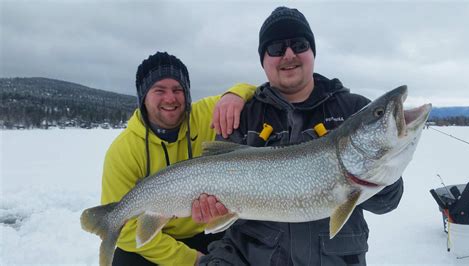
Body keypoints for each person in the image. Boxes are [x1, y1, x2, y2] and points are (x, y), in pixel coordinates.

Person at [192, 6, 404, 266]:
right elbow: (223, 215)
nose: (289, 54)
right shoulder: (243, 116)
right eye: (276, 48)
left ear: (312, 52)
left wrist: (382, 170)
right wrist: (213, 211)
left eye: (299, 44)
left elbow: (387, 203)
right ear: (263, 60)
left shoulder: (353, 110)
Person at [101, 51, 255, 266]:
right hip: (162, 240)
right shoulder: (122, 151)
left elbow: (256, 92)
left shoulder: (206, 114)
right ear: (143, 96)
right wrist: (191, 260)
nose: (170, 98)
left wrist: (234, 94)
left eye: (177, 90)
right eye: (159, 90)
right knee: (125, 260)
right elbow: (126, 232)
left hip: (214, 229)